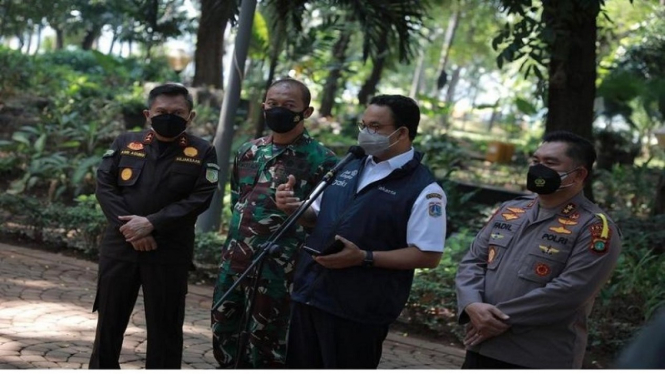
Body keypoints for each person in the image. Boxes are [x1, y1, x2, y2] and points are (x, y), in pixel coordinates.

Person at [275, 94, 447, 369]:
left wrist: (365, 257)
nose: (366, 133)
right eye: (363, 125)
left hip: (358, 310)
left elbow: (428, 254)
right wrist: (293, 208)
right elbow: (316, 218)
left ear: (402, 132)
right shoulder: (349, 165)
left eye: (375, 127)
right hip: (310, 294)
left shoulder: (424, 189)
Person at [454, 130, 622, 369]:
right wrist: (472, 306)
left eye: (550, 163)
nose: (538, 168)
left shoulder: (594, 227)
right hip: (482, 345)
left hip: (537, 355)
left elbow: (571, 290)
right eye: (535, 161)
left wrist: (493, 319)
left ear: (579, 174)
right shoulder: (511, 210)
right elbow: (473, 262)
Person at [210, 78, 338, 368]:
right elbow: (238, 202)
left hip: (281, 271)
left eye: (289, 106)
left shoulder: (324, 161)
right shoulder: (248, 151)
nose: (278, 110)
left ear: (306, 112)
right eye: (272, 104)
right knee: (223, 328)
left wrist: (301, 211)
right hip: (236, 263)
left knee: (268, 346)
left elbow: (328, 222)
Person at [89, 83, 218, 369]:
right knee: (109, 321)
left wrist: (151, 224)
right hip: (120, 248)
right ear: (148, 113)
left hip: (168, 251)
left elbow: (199, 199)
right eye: (161, 111)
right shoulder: (125, 143)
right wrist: (131, 230)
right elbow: (105, 187)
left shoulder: (203, 151)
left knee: (165, 326)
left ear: (190, 116)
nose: (168, 116)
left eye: (177, 112)